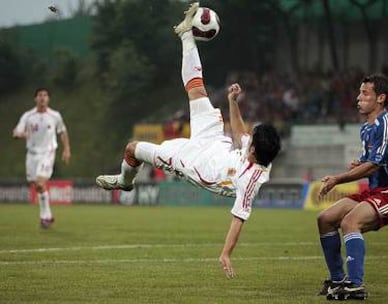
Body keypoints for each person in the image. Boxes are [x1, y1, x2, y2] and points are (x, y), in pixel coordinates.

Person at [96, 2, 281, 278]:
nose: (249, 136)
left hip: (190, 163)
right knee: (196, 89)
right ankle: (186, 35)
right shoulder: (256, 150)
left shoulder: (250, 181)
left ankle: (125, 182)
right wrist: (232, 101)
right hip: (214, 141)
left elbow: (238, 219)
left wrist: (226, 253)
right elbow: (240, 133)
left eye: (252, 139)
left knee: (132, 149)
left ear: (254, 151)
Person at [317, 74, 388, 300]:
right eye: (359, 92)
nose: (358, 98)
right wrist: (359, 163)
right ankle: (338, 279)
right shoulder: (366, 129)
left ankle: (355, 285)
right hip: (376, 191)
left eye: (364, 93)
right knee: (325, 219)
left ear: (381, 98)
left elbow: (374, 166)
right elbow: (368, 162)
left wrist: (337, 179)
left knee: (350, 222)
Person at [13, 88, 71, 228]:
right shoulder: (28, 116)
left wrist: (67, 149)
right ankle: (48, 216)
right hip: (32, 155)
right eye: (40, 95)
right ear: (35, 99)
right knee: (37, 186)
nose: (42, 98)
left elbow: (62, 132)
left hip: (47, 153)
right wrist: (21, 134)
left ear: (48, 99)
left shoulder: (55, 115)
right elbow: (16, 132)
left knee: (40, 183)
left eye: (45, 95)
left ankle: (44, 217)